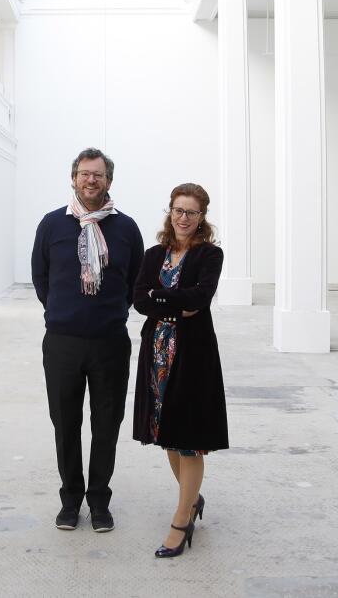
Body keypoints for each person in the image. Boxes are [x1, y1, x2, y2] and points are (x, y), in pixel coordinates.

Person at [31, 148, 144, 533]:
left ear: (108, 181)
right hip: (62, 343)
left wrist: (108, 312)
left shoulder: (126, 228)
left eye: (98, 175)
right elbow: (41, 278)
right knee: (65, 424)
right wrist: (64, 310)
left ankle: (98, 501)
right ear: (73, 178)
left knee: (107, 423)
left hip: (110, 343)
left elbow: (134, 281)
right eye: (84, 174)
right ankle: (69, 501)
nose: (90, 180)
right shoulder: (51, 224)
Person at [132, 182, 228, 558]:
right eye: (177, 210)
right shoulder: (154, 254)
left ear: (202, 217)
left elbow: (199, 299)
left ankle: (182, 516)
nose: (183, 218)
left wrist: (162, 299)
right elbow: (139, 298)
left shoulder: (209, 255)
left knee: (188, 439)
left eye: (191, 212)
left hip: (192, 355)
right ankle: (193, 498)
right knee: (166, 434)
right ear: (169, 212)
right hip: (157, 354)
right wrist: (173, 304)